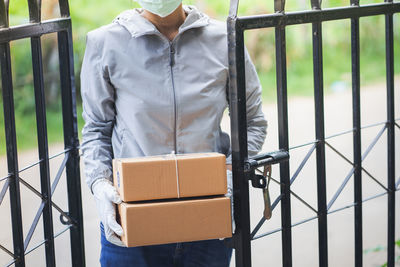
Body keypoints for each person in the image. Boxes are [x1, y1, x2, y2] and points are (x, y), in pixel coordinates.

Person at [80, 0, 267, 266]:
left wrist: (228, 172)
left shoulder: (224, 40)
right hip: (132, 222)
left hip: (208, 220)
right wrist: (100, 184)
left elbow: (253, 121)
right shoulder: (105, 43)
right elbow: (96, 129)